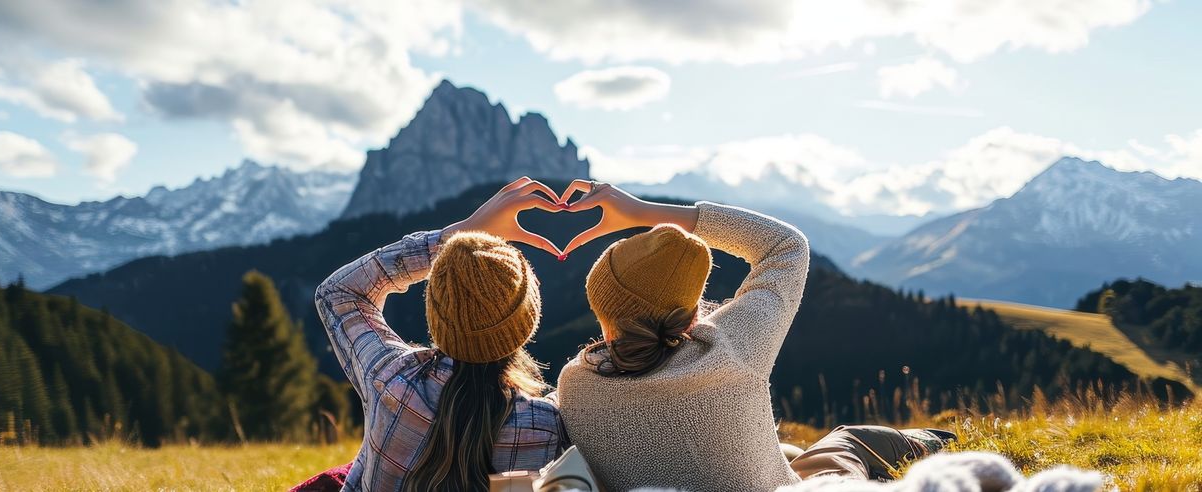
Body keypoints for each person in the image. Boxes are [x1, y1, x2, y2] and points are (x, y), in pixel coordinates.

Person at [553, 180, 951, 492]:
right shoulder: (730, 345)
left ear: (602, 310)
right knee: (845, 440)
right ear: (692, 309)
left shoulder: (575, 383)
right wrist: (642, 210)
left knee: (790, 452)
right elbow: (786, 246)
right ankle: (940, 441)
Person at [310, 177, 569, 492]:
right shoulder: (547, 427)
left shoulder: (391, 379)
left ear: (435, 312)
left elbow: (337, 293)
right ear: (528, 321)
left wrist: (453, 235)